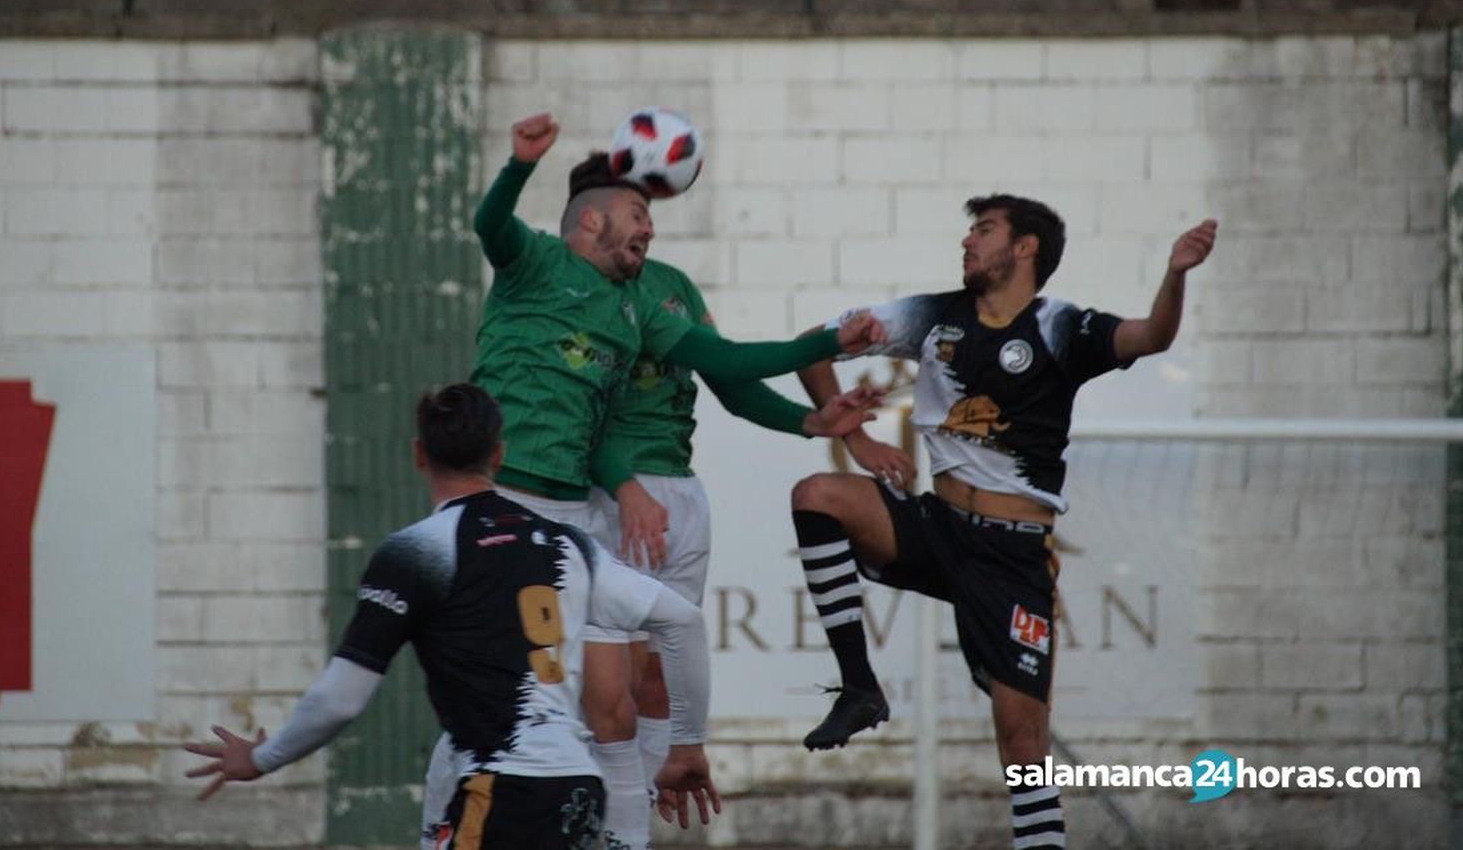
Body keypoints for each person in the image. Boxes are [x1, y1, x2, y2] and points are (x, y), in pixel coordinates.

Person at [460, 113, 883, 849]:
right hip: (589, 501)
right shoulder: (544, 267)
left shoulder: (655, 298)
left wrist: (812, 420)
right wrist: (625, 486)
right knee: (576, 691)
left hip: (639, 500)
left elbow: (726, 366)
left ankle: (632, 820)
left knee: (655, 667)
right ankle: (505, 822)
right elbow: (596, 420)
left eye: (651, 208)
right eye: (635, 208)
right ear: (587, 217)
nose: (649, 224)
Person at [789, 195, 1217, 850]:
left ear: (1025, 249)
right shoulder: (933, 316)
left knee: (1022, 749)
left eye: (983, 230)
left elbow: (1152, 335)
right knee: (817, 492)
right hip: (939, 527)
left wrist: (1177, 272)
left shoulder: (1060, 326)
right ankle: (859, 686)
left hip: (1012, 559)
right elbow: (810, 349)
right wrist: (851, 431)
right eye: (969, 229)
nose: (966, 241)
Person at [184, 383, 717, 850]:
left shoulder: (416, 551)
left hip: (497, 787)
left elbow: (341, 696)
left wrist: (264, 758)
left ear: (419, 455)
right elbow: (683, 622)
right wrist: (687, 740)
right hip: (577, 786)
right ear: (499, 454)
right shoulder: (568, 543)